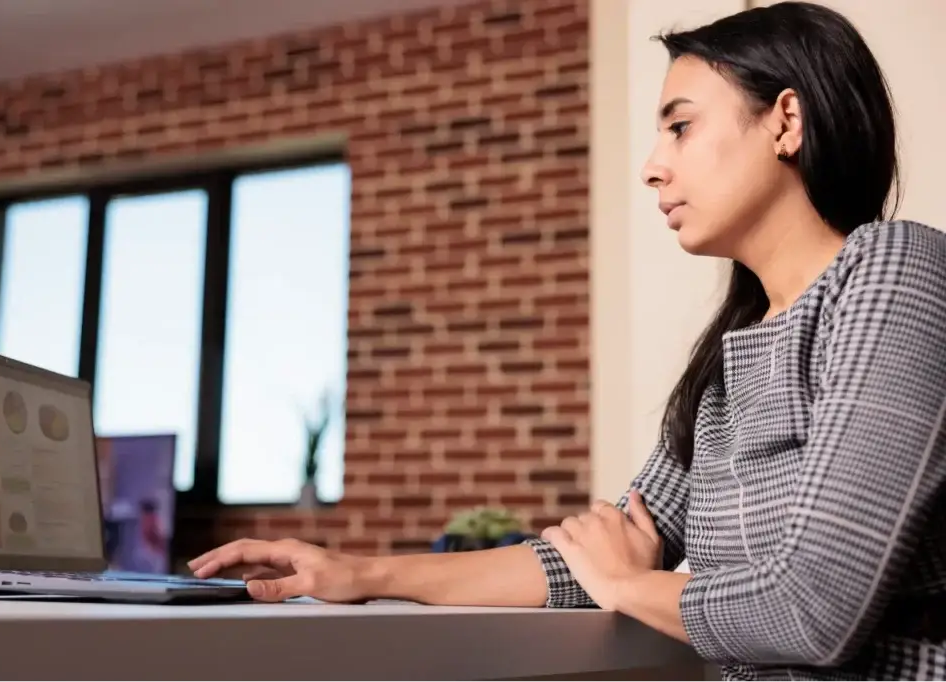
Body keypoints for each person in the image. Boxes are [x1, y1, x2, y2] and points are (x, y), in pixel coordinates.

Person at [189, 2, 946, 679]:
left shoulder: (896, 267)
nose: (652, 169)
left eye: (681, 127)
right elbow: (583, 561)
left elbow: (813, 610)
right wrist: (360, 573)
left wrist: (629, 584)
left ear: (786, 121)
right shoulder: (728, 360)